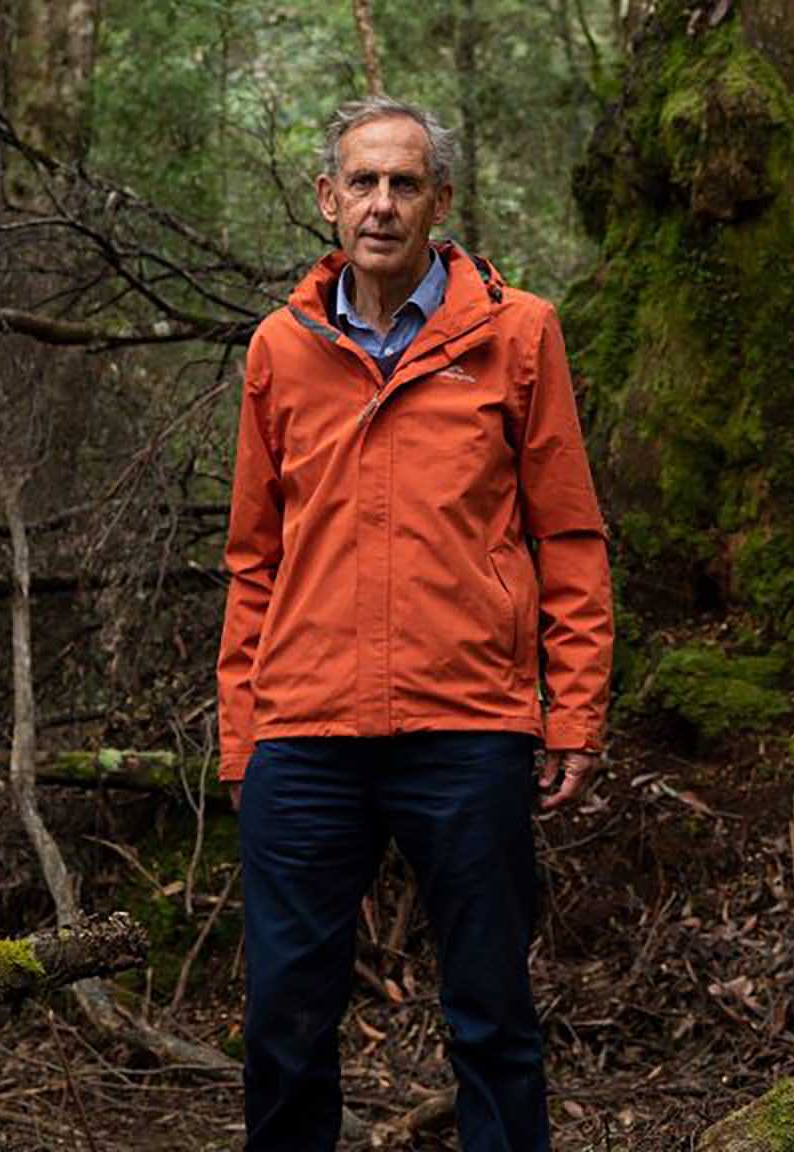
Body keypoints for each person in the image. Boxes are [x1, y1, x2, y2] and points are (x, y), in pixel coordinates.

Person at [215, 95, 614, 1152]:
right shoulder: (279, 349)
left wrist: (571, 711)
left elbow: (568, 538)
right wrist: (240, 734)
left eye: (404, 184)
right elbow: (253, 559)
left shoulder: (519, 336)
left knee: (491, 1015)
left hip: (468, 724)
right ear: (326, 199)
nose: (381, 204)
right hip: (303, 732)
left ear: (441, 201)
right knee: (285, 1027)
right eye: (362, 182)